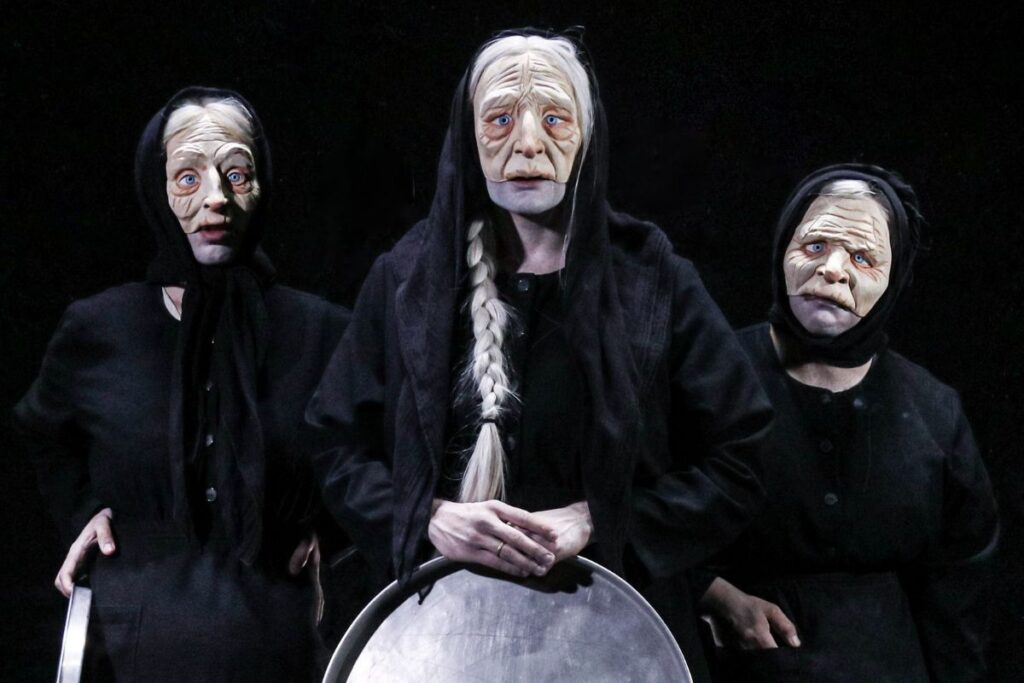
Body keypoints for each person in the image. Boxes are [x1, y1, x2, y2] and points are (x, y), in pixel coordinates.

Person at [306, 31, 773, 680]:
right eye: (500, 119)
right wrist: (427, 518)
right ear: (468, 135)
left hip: (616, 642)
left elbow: (742, 455)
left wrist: (601, 520)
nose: (527, 143)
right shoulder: (408, 279)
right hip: (440, 644)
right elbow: (335, 444)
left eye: (554, 119)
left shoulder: (652, 279)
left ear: (587, 134)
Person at [15, 87, 349, 681]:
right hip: (135, 640)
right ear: (156, 188)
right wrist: (83, 511)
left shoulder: (320, 331)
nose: (216, 198)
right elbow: (43, 430)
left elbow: (376, 451)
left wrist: (334, 530)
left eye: (236, 175)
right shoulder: (100, 328)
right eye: (188, 178)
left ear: (262, 184)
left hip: (279, 641)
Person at [697, 164, 998, 682]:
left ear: (891, 279)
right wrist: (713, 593)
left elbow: (961, 583)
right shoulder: (706, 374)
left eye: (862, 258)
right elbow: (636, 514)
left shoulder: (933, 410)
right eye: (815, 246)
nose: (833, 269)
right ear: (783, 248)